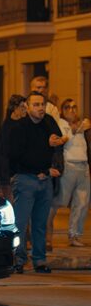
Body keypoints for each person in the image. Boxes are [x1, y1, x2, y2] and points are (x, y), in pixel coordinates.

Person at [7, 92, 63, 274]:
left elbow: (59, 139)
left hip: (45, 180)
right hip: (26, 179)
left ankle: (39, 260)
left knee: (40, 223)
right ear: (27, 106)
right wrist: (41, 169)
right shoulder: (19, 127)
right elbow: (15, 155)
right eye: (36, 104)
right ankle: (18, 259)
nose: (40, 108)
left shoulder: (48, 123)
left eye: (42, 104)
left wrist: (56, 141)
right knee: (21, 223)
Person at [52, 99, 89, 247]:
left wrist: (83, 126)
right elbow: (66, 137)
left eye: (74, 107)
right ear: (63, 110)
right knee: (59, 201)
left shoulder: (83, 124)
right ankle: (45, 231)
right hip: (69, 166)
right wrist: (78, 127)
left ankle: (75, 235)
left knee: (82, 203)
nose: (71, 110)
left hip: (84, 166)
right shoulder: (61, 123)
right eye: (67, 107)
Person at [0, 95, 27, 200]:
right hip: (11, 173)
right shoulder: (8, 126)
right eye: (22, 107)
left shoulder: (24, 124)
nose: (25, 110)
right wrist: (6, 176)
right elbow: (4, 152)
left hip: (21, 172)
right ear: (15, 108)